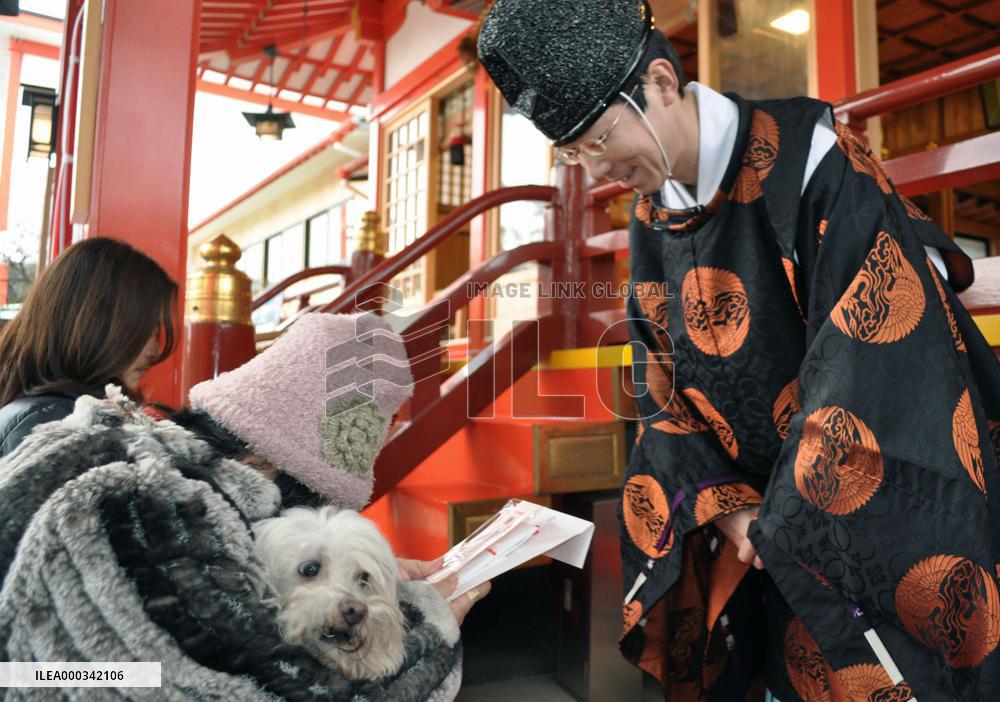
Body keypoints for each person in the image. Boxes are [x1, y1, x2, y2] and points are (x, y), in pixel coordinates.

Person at [478, 1, 1000, 700]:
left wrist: (783, 519)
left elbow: (870, 359)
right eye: (575, 154)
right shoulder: (651, 211)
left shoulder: (813, 158)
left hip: (855, 503)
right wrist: (730, 511)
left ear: (661, 82)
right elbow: (658, 382)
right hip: (758, 522)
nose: (597, 168)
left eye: (599, 139)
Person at [0, 312, 478, 700]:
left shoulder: (137, 451)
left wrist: (374, 572)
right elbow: (280, 689)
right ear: (262, 464)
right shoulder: (162, 512)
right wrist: (435, 625)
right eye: (303, 498)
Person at [0, 237, 177, 458]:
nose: (154, 349)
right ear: (93, 324)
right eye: (143, 329)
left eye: (155, 331)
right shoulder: (60, 421)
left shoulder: (38, 412)